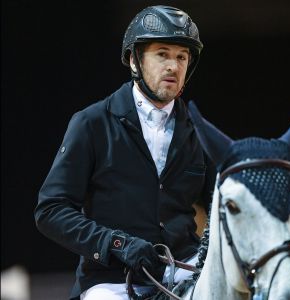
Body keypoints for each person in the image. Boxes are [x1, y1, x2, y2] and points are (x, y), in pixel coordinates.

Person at [34, 5, 216, 300]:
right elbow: (51, 211)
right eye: (162, 54)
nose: (173, 66)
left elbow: (222, 203)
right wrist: (116, 243)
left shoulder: (198, 131)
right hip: (112, 278)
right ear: (134, 60)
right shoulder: (91, 123)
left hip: (185, 269)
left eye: (182, 57)